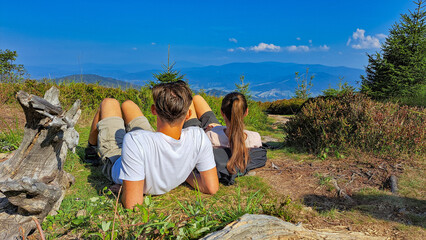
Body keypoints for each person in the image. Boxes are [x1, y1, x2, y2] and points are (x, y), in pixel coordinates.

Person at [85, 81, 219, 209]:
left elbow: (132, 204)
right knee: (128, 104)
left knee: (109, 102)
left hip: (119, 160)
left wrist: (128, 187)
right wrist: (181, 172)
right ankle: (94, 142)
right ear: (189, 114)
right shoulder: (199, 136)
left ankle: (91, 149)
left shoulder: (134, 140)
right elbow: (211, 187)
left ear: (154, 110)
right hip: (152, 138)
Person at [184, 92, 266, 184]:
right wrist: (219, 128)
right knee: (197, 98)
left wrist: (209, 130)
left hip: (207, 131)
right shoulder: (255, 137)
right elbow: (234, 136)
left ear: (222, 113)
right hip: (219, 130)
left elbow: (201, 137)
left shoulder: (210, 137)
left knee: (191, 100)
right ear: (246, 112)